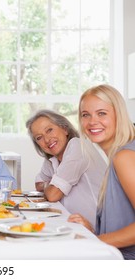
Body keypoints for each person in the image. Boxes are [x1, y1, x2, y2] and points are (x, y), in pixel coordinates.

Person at [68, 84, 135, 260]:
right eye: (85, 115)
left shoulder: (124, 157)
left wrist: (95, 241)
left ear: (118, 115)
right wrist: (92, 230)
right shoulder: (120, 154)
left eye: (102, 113)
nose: (92, 122)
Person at [26, 110, 107, 229]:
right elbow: (38, 184)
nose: (47, 140)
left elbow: (53, 195)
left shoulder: (78, 146)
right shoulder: (52, 158)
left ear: (65, 129)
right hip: (73, 224)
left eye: (49, 130)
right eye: (39, 138)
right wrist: (49, 186)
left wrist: (48, 186)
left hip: (98, 229)